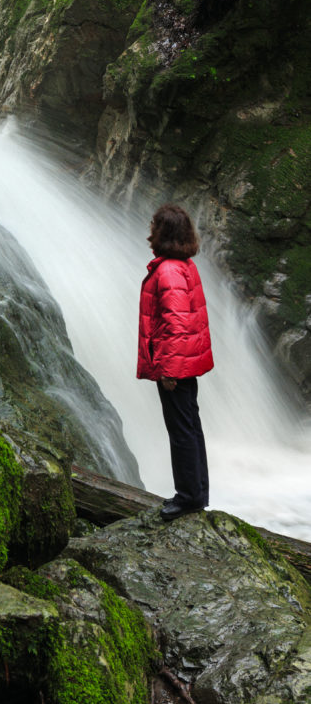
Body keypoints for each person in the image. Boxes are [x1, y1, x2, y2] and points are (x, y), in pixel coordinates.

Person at [138, 203, 213, 521]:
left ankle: (187, 497)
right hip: (186, 361)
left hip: (176, 365)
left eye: (154, 226)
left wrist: (167, 370)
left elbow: (176, 324)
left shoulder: (168, 270)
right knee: (191, 426)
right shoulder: (183, 265)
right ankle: (197, 491)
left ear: (163, 233)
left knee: (181, 430)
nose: (149, 231)